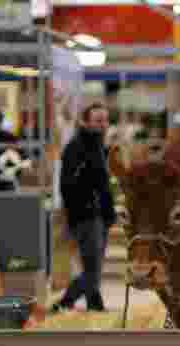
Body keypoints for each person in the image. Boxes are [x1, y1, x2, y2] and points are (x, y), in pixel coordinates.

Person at [52, 103, 116, 313]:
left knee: (93, 266)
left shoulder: (96, 145)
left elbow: (103, 183)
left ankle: (92, 305)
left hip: (98, 215)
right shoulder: (77, 146)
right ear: (85, 121)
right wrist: (84, 207)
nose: (103, 124)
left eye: (105, 120)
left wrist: (108, 210)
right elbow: (68, 185)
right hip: (86, 216)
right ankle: (66, 303)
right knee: (92, 270)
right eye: (98, 120)